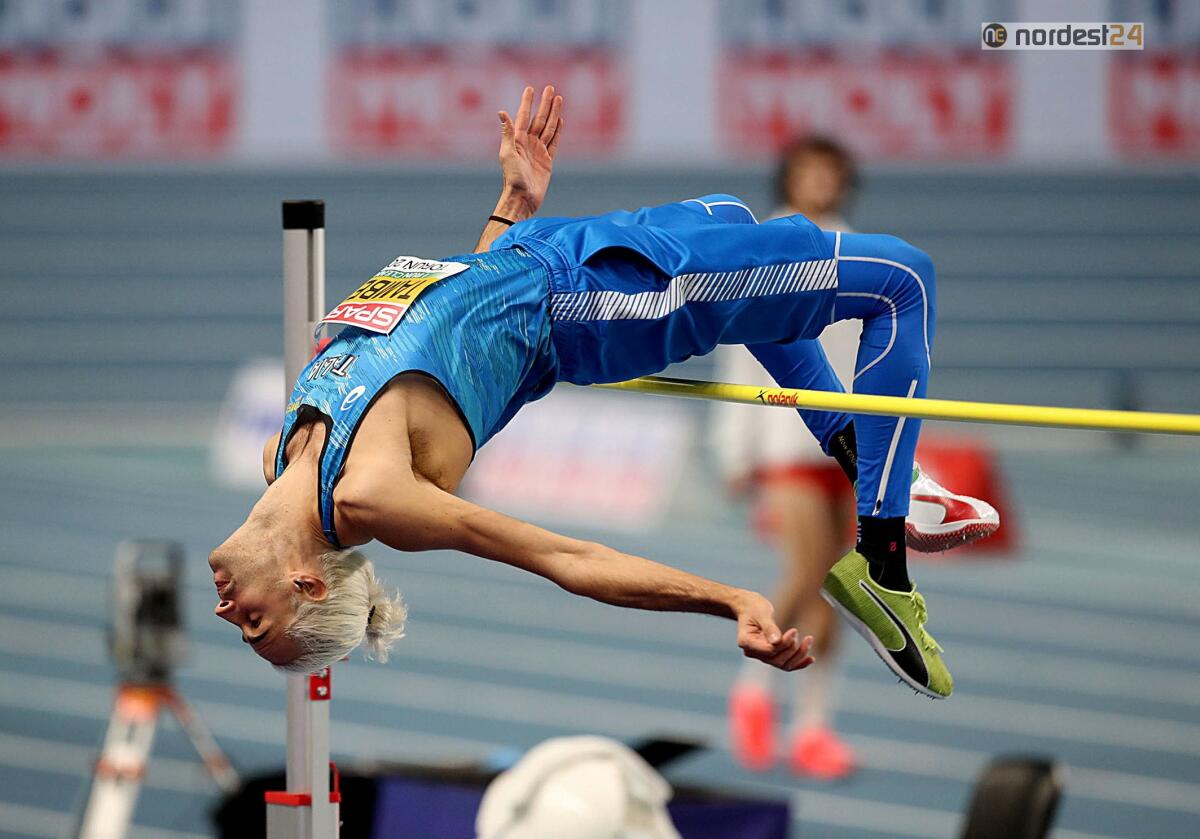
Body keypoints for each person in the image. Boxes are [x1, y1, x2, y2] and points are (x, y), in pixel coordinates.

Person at [210, 85, 994, 700]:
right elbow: (568, 557)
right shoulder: (373, 496)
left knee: (732, 213)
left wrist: (511, 204)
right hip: (597, 301)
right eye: (254, 621)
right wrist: (728, 599)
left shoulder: (285, 453)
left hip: (544, 249)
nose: (225, 609)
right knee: (899, 281)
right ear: (305, 582)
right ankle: (885, 564)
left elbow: (456, 331)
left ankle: (874, 465)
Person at [715, 138, 998, 776]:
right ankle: (753, 695)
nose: (820, 182)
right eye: (808, 171)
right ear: (788, 178)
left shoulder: (861, 252)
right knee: (813, 571)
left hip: (856, 445)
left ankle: (813, 726)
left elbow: (889, 351)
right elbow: (739, 352)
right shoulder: (756, 247)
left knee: (844, 586)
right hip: (788, 440)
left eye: (831, 172)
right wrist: (736, 451)